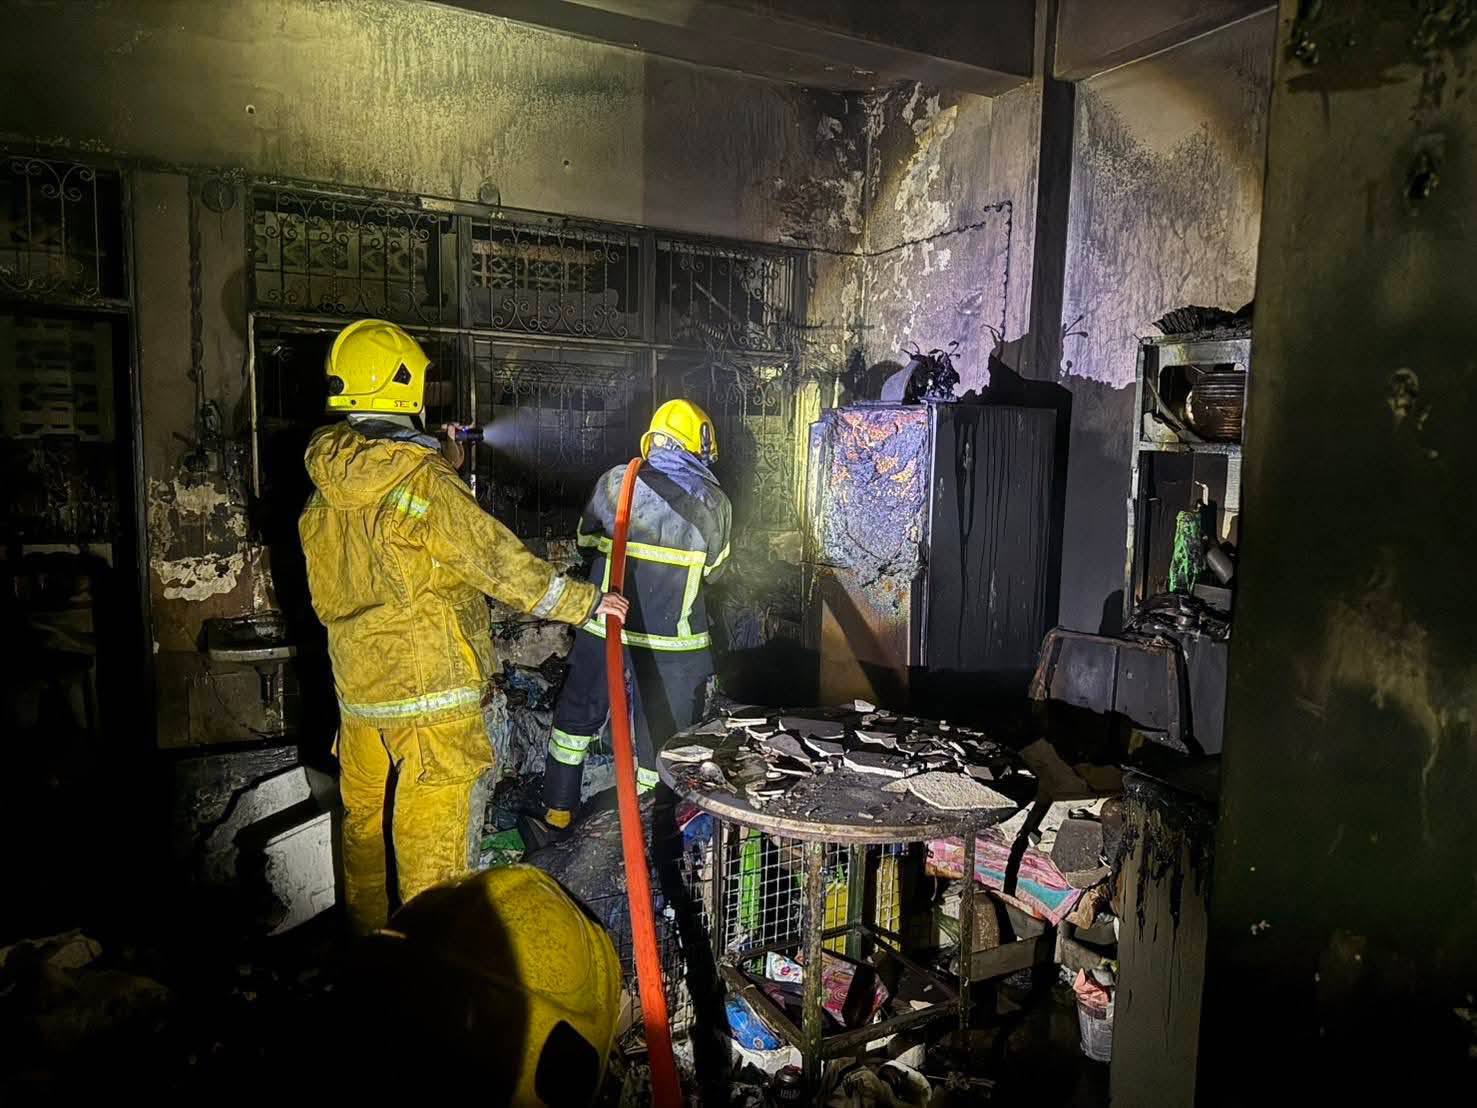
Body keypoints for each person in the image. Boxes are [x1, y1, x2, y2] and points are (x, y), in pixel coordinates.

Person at [298, 318, 627, 933]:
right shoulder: (424, 485)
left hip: (360, 699)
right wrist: (585, 602)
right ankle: (428, 981)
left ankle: (367, 960)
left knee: (363, 836)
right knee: (433, 877)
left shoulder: (325, 488)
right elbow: (495, 561)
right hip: (430, 705)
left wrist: (443, 461)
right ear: (406, 389)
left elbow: (387, 521)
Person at [541, 399, 732, 830]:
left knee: (577, 716)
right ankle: (646, 827)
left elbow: (586, 541)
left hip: (605, 625)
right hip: (672, 646)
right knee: (659, 737)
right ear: (699, 445)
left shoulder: (616, 482)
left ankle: (557, 811)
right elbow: (716, 572)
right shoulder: (714, 502)